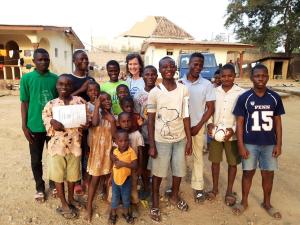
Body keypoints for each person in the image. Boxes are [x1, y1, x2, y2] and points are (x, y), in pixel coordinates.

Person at [232, 64, 284, 220]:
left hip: (269, 143)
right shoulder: (244, 97)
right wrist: (240, 145)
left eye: (263, 75)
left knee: (268, 174)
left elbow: (278, 122)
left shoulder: (274, 97)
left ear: (268, 77)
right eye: (257, 76)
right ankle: (244, 202)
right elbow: (239, 123)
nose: (260, 79)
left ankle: (267, 203)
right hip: (250, 143)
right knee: (248, 173)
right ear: (251, 78)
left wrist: (279, 144)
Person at [147, 57, 192, 222]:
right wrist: (151, 144)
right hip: (161, 140)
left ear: (175, 68)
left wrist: (189, 139)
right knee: (158, 173)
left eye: (171, 66)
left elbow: (186, 115)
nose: (168, 69)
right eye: (164, 66)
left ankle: (174, 196)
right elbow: (150, 120)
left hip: (180, 138)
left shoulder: (183, 89)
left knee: (179, 171)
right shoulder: (154, 92)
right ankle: (155, 204)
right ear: (160, 69)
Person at [42, 75, 88, 219]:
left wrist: (87, 124)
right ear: (56, 86)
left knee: (73, 175)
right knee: (58, 176)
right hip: (57, 147)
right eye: (61, 84)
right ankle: (63, 203)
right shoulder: (51, 104)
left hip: (75, 146)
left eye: (67, 85)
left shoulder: (79, 102)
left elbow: (88, 117)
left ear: (72, 87)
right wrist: (52, 122)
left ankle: (71, 198)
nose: (64, 87)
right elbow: (45, 117)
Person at [20, 48, 58, 202]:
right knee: (36, 159)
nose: (43, 62)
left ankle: (54, 184)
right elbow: (24, 102)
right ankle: (40, 187)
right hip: (34, 126)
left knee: (54, 157)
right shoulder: (27, 79)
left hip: (52, 127)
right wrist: (24, 125)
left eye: (46, 59)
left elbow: (58, 102)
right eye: (40, 59)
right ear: (34, 61)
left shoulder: (55, 79)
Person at [205, 64, 244, 206]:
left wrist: (233, 129)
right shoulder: (214, 92)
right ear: (219, 77)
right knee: (215, 162)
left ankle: (229, 190)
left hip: (232, 135)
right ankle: (215, 189)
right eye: (223, 76)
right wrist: (209, 123)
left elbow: (243, 116)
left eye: (230, 76)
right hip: (215, 133)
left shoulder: (241, 93)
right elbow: (209, 110)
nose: (226, 78)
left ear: (234, 76)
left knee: (232, 163)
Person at [180, 52, 215, 203]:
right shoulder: (180, 83)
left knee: (198, 158)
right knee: (178, 158)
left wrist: (199, 125)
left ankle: (198, 187)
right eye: (195, 64)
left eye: (201, 65)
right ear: (189, 64)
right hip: (180, 127)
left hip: (198, 127)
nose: (198, 67)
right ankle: (175, 186)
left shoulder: (207, 84)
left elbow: (210, 108)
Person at [67, 50, 96, 195]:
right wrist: (81, 89)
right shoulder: (68, 79)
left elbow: (95, 98)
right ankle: (76, 181)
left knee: (86, 152)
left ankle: (85, 179)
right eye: (81, 59)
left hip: (88, 124)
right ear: (74, 60)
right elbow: (64, 99)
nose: (84, 61)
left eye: (86, 58)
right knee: (74, 152)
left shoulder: (92, 81)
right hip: (71, 125)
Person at [85, 90, 116, 222]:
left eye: (108, 99)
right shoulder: (96, 113)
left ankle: (106, 198)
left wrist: (113, 121)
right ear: (98, 102)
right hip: (98, 152)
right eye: (103, 100)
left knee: (108, 177)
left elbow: (115, 136)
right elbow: (95, 123)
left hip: (109, 150)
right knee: (95, 179)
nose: (107, 101)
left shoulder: (112, 115)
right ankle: (89, 206)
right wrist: (97, 106)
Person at [134, 65, 158, 197]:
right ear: (142, 76)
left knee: (156, 163)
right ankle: (145, 186)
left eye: (153, 74)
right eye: (147, 74)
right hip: (144, 135)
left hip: (159, 135)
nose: (150, 77)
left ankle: (154, 186)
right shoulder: (138, 96)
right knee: (143, 163)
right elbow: (137, 117)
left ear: (157, 76)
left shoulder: (161, 92)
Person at [117, 112, 144, 214]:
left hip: (133, 168)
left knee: (133, 186)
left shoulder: (137, 135)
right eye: (123, 121)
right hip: (120, 168)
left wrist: (140, 167)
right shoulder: (117, 135)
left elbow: (141, 152)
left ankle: (133, 204)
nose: (126, 124)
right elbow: (114, 152)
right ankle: (120, 204)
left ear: (132, 122)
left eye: (128, 121)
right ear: (119, 123)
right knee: (120, 185)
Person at [109, 129, 138, 224]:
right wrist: (110, 177)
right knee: (114, 199)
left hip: (126, 180)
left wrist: (123, 164)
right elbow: (113, 166)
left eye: (126, 140)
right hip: (115, 180)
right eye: (120, 141)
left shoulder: (131, 152)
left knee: (126, 199)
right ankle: (113, 214)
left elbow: (135, 165)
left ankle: (126, 214)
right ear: (116, 142)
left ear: (128, 141)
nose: (123, 143)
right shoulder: (115, 152)